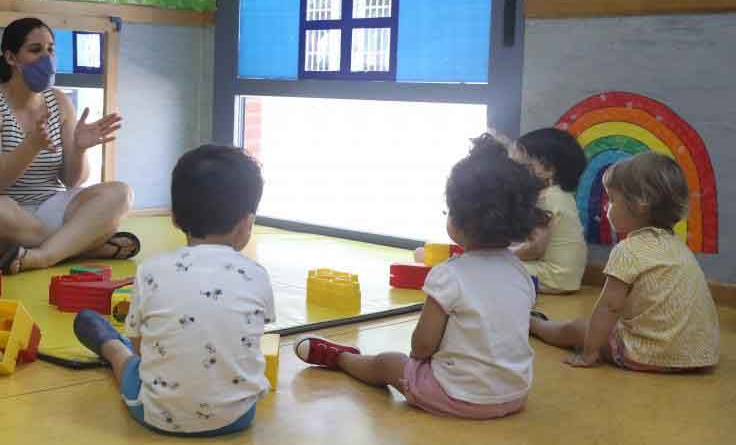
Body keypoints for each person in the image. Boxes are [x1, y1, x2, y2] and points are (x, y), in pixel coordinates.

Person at [297, 135, 541, 419]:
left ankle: (342, 358)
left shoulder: (449, 275)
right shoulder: (520, 273)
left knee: (389, 363)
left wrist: (422, 363)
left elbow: (421, 347)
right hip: (514, 395)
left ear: (457, 222)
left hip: (457, 397)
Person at [73, 144, 273, 436]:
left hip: (157, 415)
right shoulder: (258, 275)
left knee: (125, 359)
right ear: (246, 223)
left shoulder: (150, 270)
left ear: (175, 218)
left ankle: (109, 346)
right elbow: (251, 338)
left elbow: (142, 349)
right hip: (239, 416)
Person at [0, 17, 136, 273]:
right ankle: (84, 245)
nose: (47, 58)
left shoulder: (59, 101)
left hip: (44, 209)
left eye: (50, 49)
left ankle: (44, 255)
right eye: (35, 50)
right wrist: (31, 146)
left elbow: (72, 181)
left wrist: (79, 149)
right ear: (11, 58)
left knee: (120, 193)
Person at [530, 152, 719, 372]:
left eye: (611, 199)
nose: (605, 207)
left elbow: (610, 306)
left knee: (579, 327)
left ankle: (534, 324)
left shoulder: (628, 250)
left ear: (640, 205)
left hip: (650, 355)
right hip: (699, 355)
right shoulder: (678, 247)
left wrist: (590, 351)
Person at [510, 127, 588, 293]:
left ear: (549, 169)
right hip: (566, 277)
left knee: (490, 268)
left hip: (553, 276)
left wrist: (501, 255)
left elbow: (535, 248)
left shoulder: (546, 199)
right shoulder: (561, 195)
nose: (516, 175)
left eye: (523, 167)